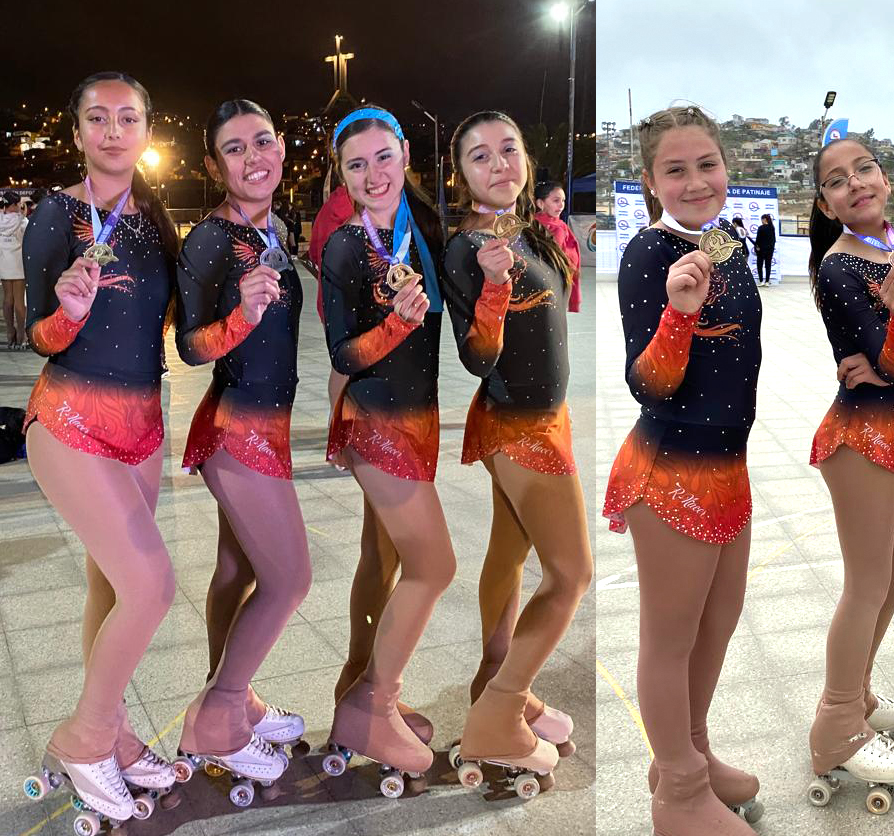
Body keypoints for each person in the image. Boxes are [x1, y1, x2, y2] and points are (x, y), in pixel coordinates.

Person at [19, 72, 182, 831]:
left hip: (143, 428)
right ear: (78, 130)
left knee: (113, 590)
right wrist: (68, 312)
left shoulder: (154, 219)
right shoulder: (56, 213)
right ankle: (83, 738)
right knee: (150, 584)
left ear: (146, 130)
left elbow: (182, 331)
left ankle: (113, 733)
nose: (113, 129)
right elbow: (39, 337)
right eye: (97, 117)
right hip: (72, 421)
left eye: (128, 117)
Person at [601, 105, 762, 836]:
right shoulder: (646, 255)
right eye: (676, 169)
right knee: (670, 638)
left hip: (728, 466)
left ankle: (687, 756)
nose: (696, 181)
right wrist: (677, 312)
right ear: (649, 182)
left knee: (717, 623)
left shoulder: (725, 245)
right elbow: (649, 384)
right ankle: (677, 795)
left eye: (707, 164)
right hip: (670, 471)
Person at [442, 110, 590, 791]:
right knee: (571, 575)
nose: (499, 163)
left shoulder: (524, 229)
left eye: (509, 149)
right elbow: (476, 358)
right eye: (480, 156)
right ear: (461, 174)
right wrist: (496, 289)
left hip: (543, 417)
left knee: (511, 554)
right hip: (519, 428)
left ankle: (498, 681)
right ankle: (499, 717)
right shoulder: (469, 246)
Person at [806, 136, 894, 811]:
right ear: (825, 202)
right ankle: (836, 723)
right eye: (837, 180)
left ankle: (858, 690)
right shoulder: (838, 270)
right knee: (867, 582)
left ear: (885, 179)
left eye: (863, 168)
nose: (855, 183)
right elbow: (890, 361)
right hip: (857, 435)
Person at [174, 100, 309, 791]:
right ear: (213, 165)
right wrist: (239, 318)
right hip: (237, 433)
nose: (253, 156)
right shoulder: (209, 240)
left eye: (262, 140)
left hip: (269, 427)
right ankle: (218, 717)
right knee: (290, 579)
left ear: (281, 147)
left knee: (239, 575)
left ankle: (236, 691)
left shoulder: (273, 230)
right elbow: (190, 347)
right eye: (234, 148)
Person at [319, 105, 453, 791]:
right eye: (355, 164)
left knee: (393, 559)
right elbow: (342, 349)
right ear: (341, 175)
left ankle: (372, 694)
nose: (371, 174)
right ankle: (371, 705)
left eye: (381, 157)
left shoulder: (423, 227)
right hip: (380, 424)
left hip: (419, 416)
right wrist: (393, 331)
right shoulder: (346, 245)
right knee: (435, 566)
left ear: (404, 153)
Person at [534, 180, 583, 313]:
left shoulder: (561, 225)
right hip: (547, 285)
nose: (561, 205)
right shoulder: (537, 227)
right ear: (540, 203)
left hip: (561, 283)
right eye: (556, 200)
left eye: (563, 200)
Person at [0, 192, 26, 349]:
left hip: (4, 263)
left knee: (7, 299)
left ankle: (10, 334)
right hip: (18, 264)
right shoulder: (23, 222)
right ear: (16, 204)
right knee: (19, 302)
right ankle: (22, 337)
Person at [755, 213, 777, 284]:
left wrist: (757, 247)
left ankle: (761, 281)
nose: (761, 221)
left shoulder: (761, 228)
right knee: (768, 265)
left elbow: (758, 239)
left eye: (762, 220)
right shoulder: (772, 228)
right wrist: (772, 248)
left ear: (764, 219)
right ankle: (767, 281)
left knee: (759, 265)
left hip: (761, 249)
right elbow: (774, 239)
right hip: (770, 250)